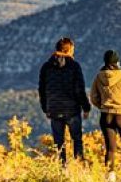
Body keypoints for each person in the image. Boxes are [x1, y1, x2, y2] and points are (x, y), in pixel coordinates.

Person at [38, 37, 91, 166]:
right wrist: (86, 107)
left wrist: (46, 108)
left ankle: (62, 171)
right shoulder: (74, 66)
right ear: (69, 50)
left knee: (59, 143)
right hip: (72, 110)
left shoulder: (46, 67)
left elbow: (42, 90)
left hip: (54, 109)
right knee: (77, 140)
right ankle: (79, 168)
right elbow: (79, 89)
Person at [90, 50, 121, 182]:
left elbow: (93, 97)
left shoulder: (99, 76)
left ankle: (110, 180)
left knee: (110, 149)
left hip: (106, 116)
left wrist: (101, 105)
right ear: (117, 62)